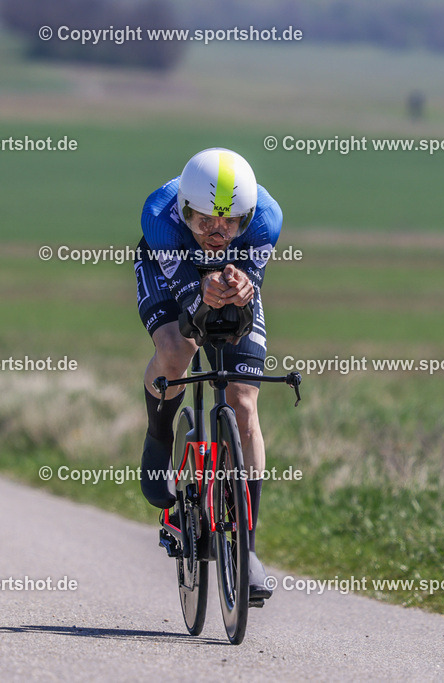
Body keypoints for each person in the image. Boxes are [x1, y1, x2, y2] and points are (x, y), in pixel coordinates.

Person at [134, 148, 281, 601]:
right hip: (170, 270)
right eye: (205, 223)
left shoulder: (266, 221)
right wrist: (202, 291)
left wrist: (240, 286)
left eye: (230, 223)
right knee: (179, 351)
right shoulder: (161, 217)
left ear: (248, 217)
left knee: (243, 400)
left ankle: (247, 550)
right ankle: (160, 432)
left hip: (228, 282)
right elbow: (188, 303)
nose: (218, 234)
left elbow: (245, 292)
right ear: (186, 211)